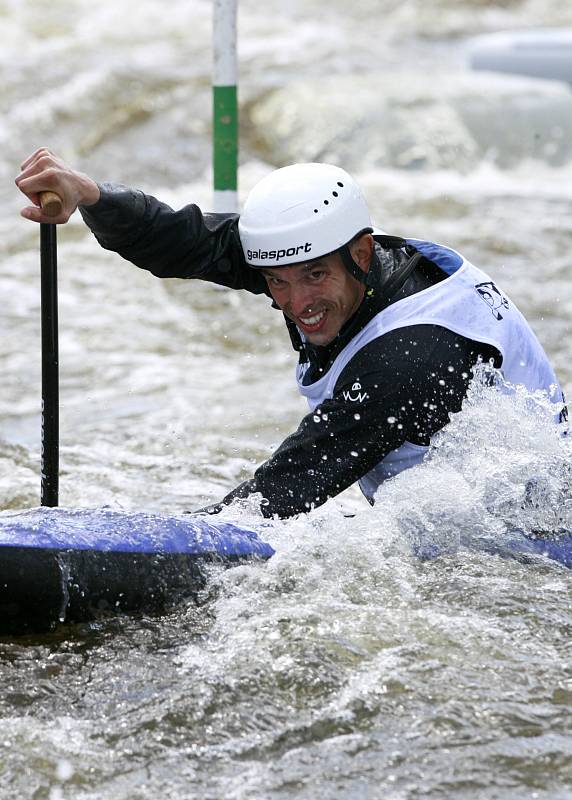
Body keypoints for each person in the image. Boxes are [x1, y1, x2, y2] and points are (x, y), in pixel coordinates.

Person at [16, 148, 567, 518]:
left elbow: (283, 491)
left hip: (520, 539)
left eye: (313, 278)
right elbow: (193, 243)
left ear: (361, 251)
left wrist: (147, 553)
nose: (298, 304)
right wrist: (91, 195)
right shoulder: (327, 262)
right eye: (276, 282)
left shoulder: (412, 357)